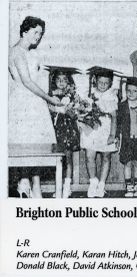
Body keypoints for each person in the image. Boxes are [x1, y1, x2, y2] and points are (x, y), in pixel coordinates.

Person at [8, 16, 62, 198]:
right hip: (24, 103)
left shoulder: (30, 53)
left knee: (38, 145)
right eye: (35, 32)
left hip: (34, 102)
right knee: (26, 144)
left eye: (41, 33)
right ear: (24, 31)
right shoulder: (15, 52)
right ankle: (24, 184)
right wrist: (50, 99)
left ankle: (35, 186)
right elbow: (27, 82)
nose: (38, 36)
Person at [80, 67, 119, 198]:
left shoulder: (112, 96)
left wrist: (112, 135)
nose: (102, 85)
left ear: (110, 83)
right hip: (91, 129)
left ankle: (101, 184)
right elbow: (81, 111)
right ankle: (93, 182)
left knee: (106, 157)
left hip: (106, 129)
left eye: (106, 83)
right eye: (100, 82)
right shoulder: (89, 94)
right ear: (95, 81)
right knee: (89, 156)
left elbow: (114, 117)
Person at [46, 66, 81, 198]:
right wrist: (59, 110)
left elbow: (75, 112)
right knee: (57, 160)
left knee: (68, 158)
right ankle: (58, 187)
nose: (61, 82)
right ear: (54, 81)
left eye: (64, 80)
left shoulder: (72, 96)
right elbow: (50, 110)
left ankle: (67, 187)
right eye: (58, 79)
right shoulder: (50, 96)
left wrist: (72, 110)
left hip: (68, 130)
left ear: (69, 82)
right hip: (55, 130)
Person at [116, 77, 137, 197]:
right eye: (128, 90)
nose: (131, 93)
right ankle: (128, 187)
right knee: (127, 163)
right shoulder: (121, 106)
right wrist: (117, 138)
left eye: (134, 91)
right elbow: (118, 124)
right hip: (126, 139)